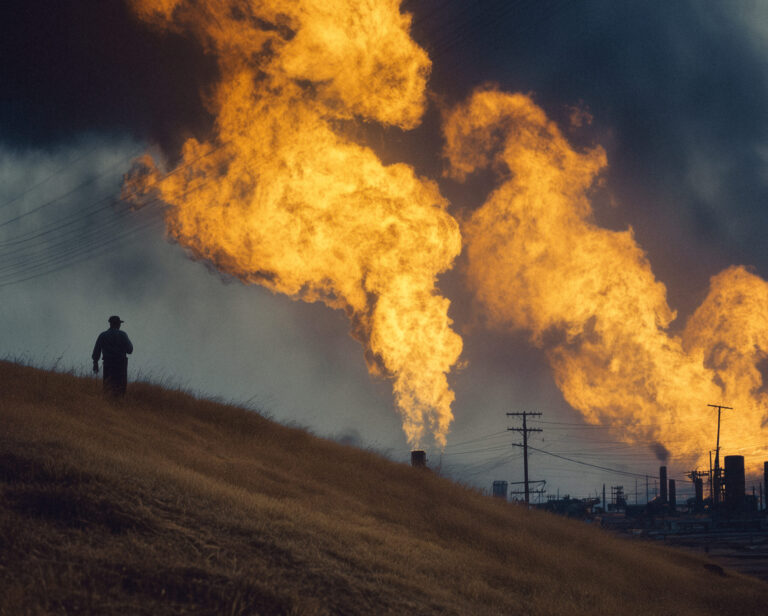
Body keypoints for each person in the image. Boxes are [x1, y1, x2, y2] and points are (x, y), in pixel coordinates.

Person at [92, 315, 133, 397]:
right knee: (121, 387)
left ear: (110, 324)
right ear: (118, 324)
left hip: (108, 364)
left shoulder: (103, 335)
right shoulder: (123, 335)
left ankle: (108, 405)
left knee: (108, 386)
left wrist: (95, 363)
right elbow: (130, 350)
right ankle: (119, 405)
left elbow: (96, 351)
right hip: (121, 364)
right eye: (119, 323)